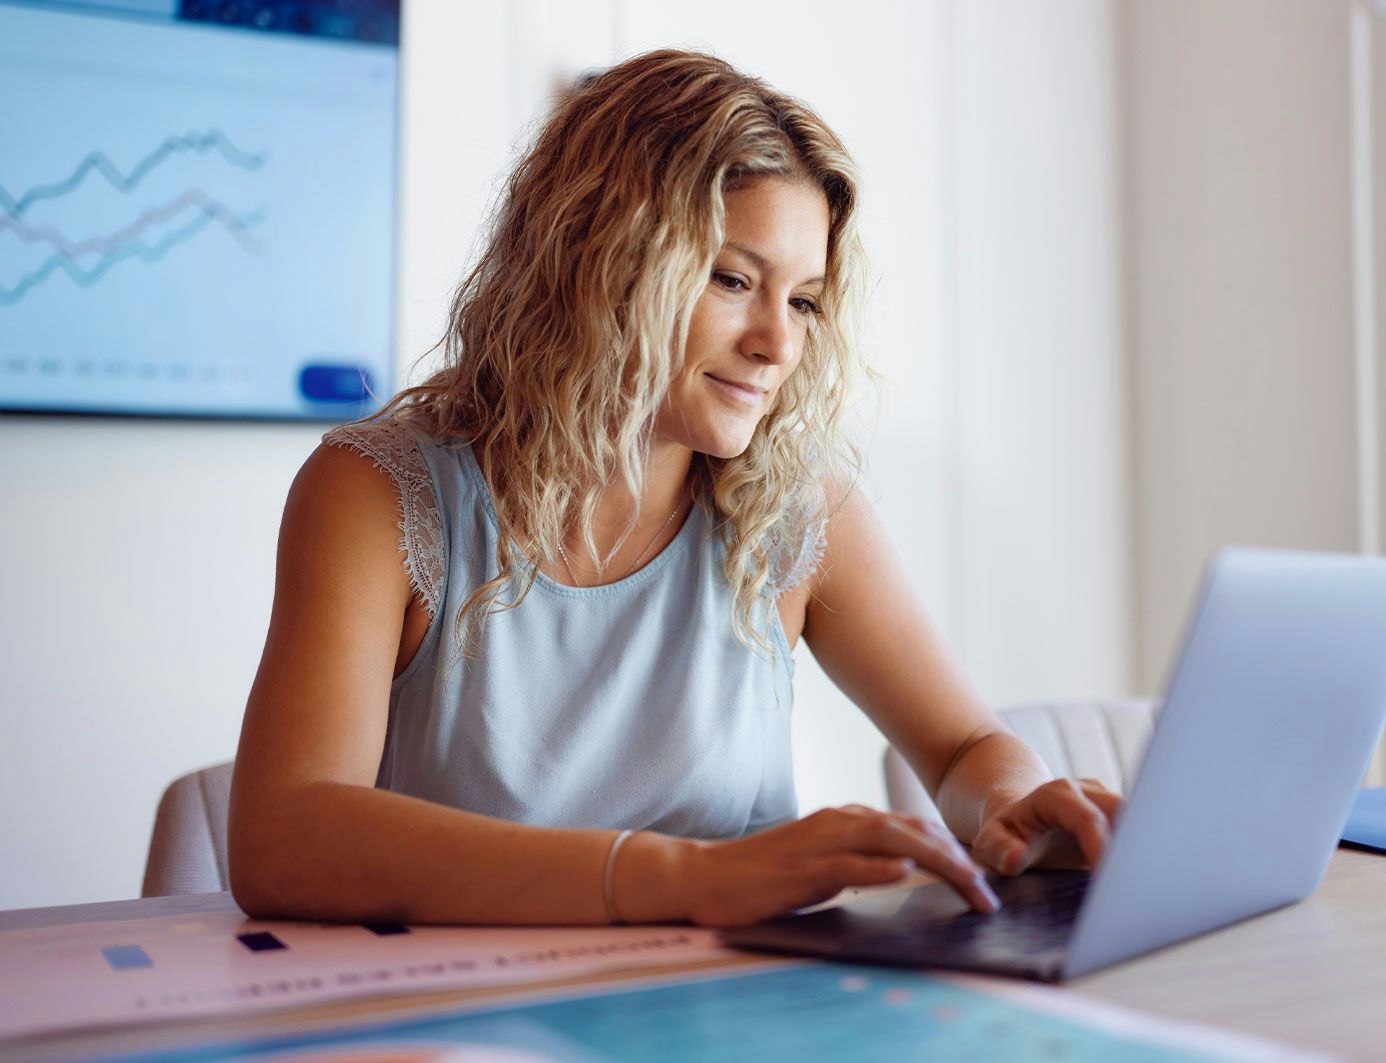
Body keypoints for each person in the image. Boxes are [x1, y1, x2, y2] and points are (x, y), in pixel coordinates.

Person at [229, 49, 1122, 928]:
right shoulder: (375, 493)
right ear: (598, 259)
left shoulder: (797, 508)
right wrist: (684, 877)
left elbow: (965, 747)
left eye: (804, 301)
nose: (778, 342)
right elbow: (284, 836)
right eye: (733, 280)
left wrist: (1015, 804)